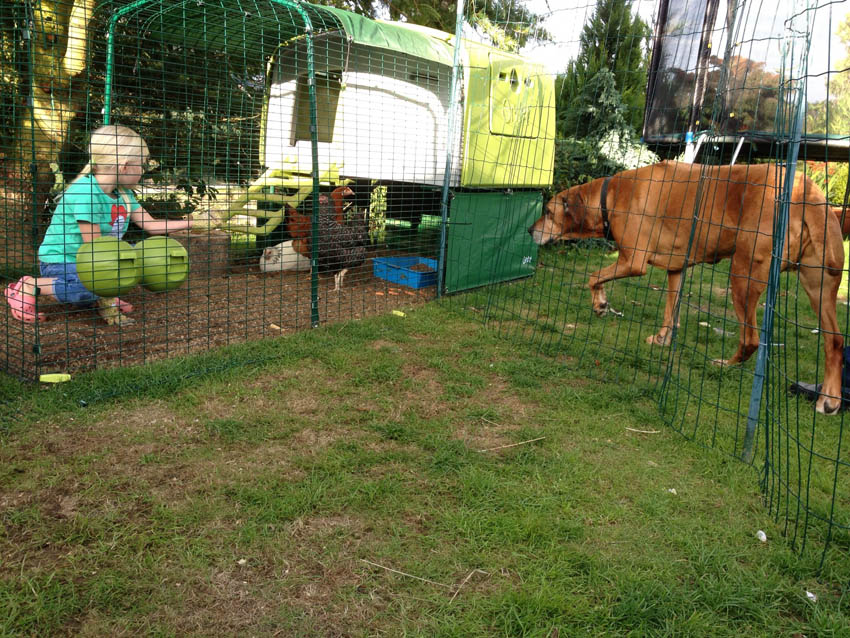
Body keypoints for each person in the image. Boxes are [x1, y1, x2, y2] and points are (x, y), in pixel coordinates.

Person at [4, 124, 214, 326]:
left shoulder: (124, 194)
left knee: (138, 261)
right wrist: (112, 286)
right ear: (124, 166)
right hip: (63, 262)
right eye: (141, 165)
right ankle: (31, 286)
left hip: (99, 258)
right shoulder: (87, 194)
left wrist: (192, 223)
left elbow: (151, 225)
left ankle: (104, 291)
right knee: (97, 284)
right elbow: (95, 249)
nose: (143, 171)